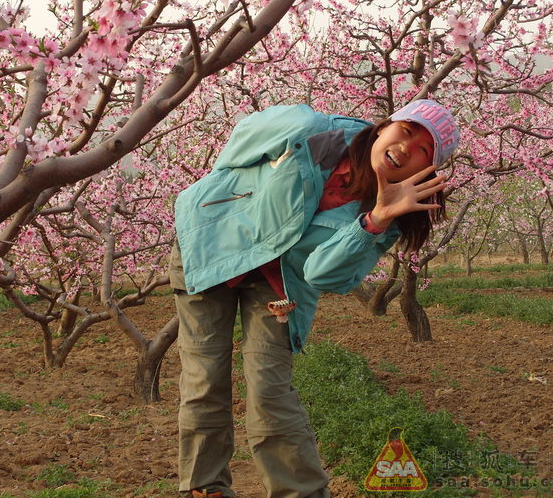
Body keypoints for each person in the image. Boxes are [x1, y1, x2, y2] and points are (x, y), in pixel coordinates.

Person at [168, 99, 460, 498]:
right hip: (212, 244)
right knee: (205, 378)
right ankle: (204, 488)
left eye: (423, 149)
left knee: (269, 390)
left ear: (426, 169)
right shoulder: (312, 131)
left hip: (280, 282)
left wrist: (374, 220)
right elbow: (241, 141)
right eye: (406, 131)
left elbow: (323, 275)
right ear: (384, 127)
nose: (406, 148)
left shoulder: (388, 217)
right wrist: (237, 198)